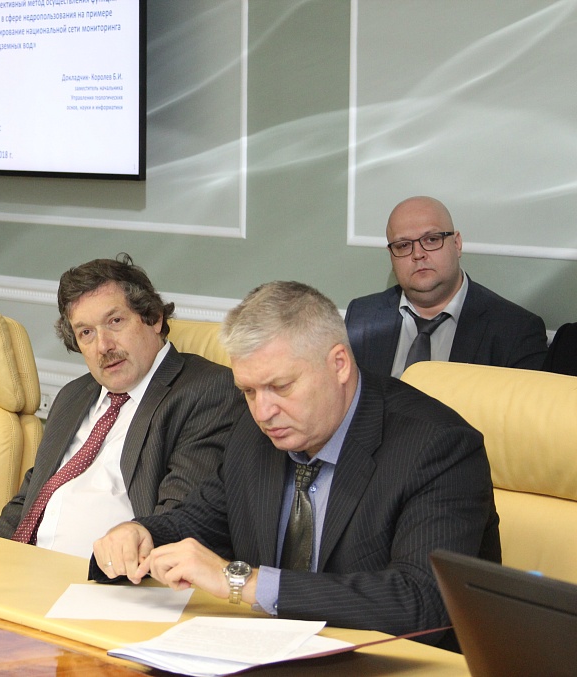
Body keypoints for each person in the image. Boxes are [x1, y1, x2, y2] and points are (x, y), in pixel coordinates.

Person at [92, 281, 500, 645]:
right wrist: (140, 533)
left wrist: (240, 582)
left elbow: (422, 601)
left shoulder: (437, 446)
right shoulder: (255, 433)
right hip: (268, 654)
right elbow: (201, 520)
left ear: (339, 364)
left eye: (280, 386)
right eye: (249, 391)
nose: (263, 412)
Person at [0, 254, 241, 558]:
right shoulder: (73, 396)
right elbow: (28, 503)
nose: (103, 346)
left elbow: (179, 521)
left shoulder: (206, 391)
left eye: (115, 322)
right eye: (86, 333)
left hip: (109, 576)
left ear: (154, 318)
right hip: (25, 567)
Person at [344, 196, 546, 378]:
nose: (418, 254)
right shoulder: (362, 317)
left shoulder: (515, 330)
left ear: (457, 244)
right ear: (391, 255)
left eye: (432, 240)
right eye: (403, 245)